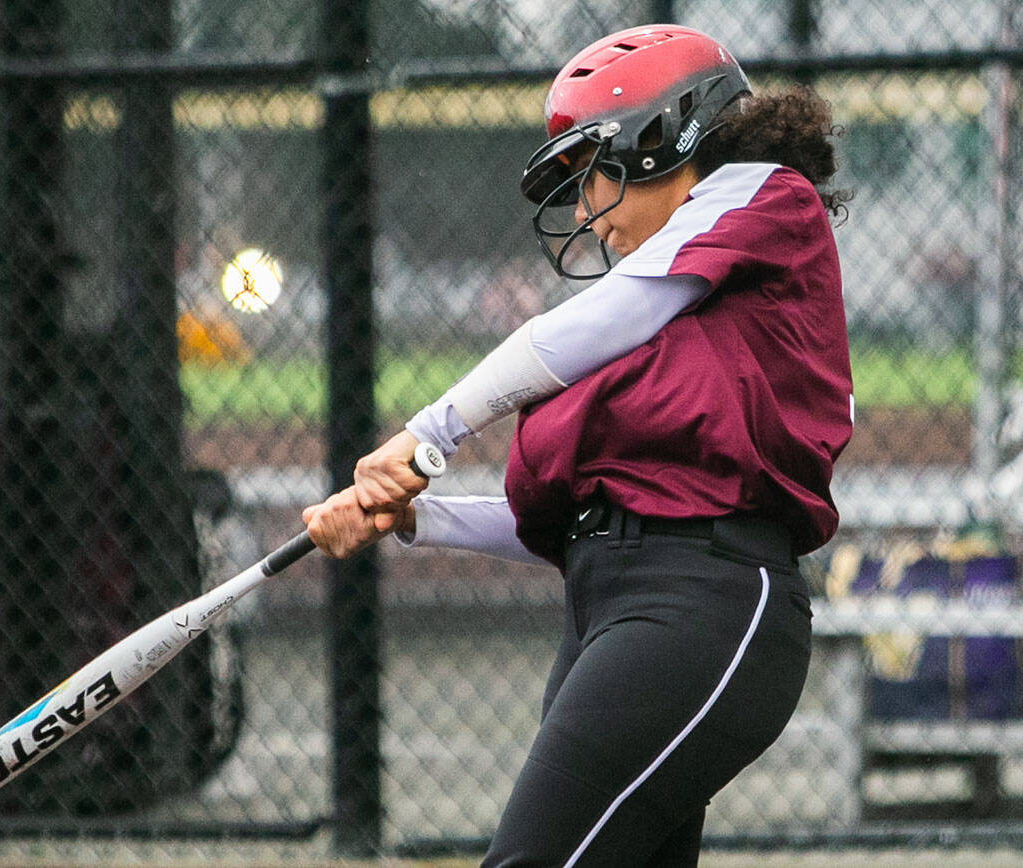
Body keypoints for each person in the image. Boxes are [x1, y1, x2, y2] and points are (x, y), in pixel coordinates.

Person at [302, 23, 853, 866]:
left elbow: (596, 324)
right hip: (609, 609)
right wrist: (414, 519)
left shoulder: (765, 197)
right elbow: (579, 523)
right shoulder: (644, 324)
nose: (590, 217)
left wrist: (430, 433)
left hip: (705, 603)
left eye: (595, 177)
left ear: (663, 139)